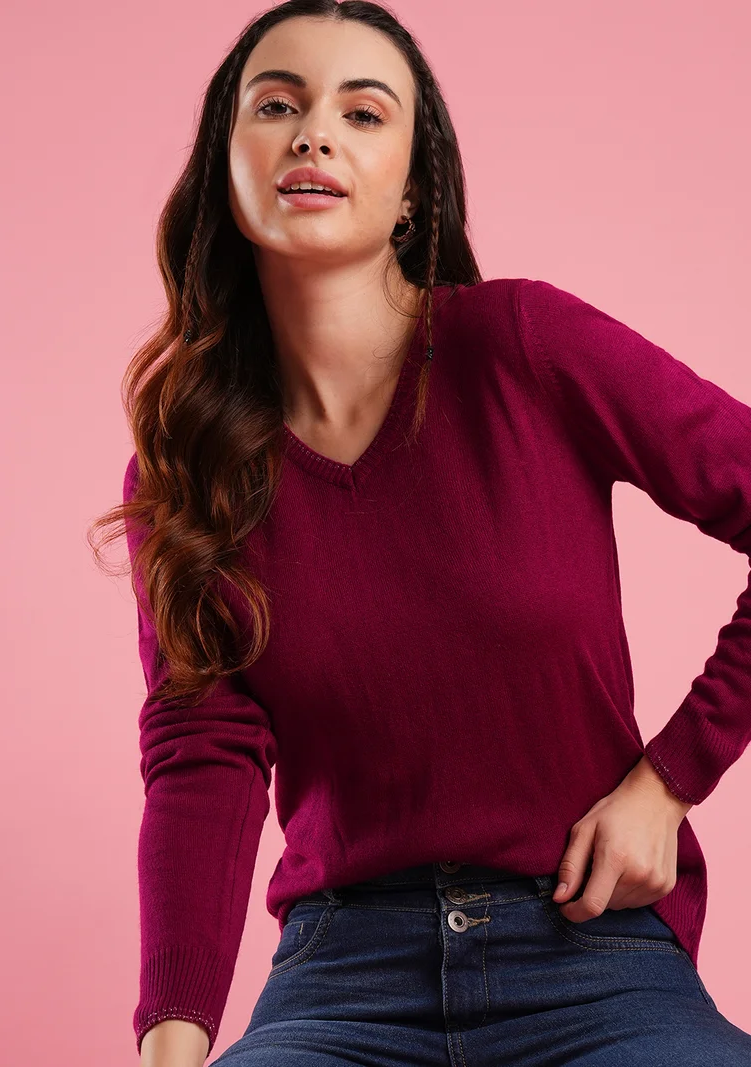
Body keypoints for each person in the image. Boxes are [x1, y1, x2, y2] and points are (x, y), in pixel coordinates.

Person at [94, 0, 751, 1062]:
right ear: (226, 166)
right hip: (341, 974)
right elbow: (201, 755)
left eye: (362, 114)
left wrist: (668, 778)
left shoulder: (523, 348)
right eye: (277, 105)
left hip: (590, 950)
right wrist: (170, 1042)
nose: (314, 134)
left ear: (411, 189)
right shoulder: (187, 474)